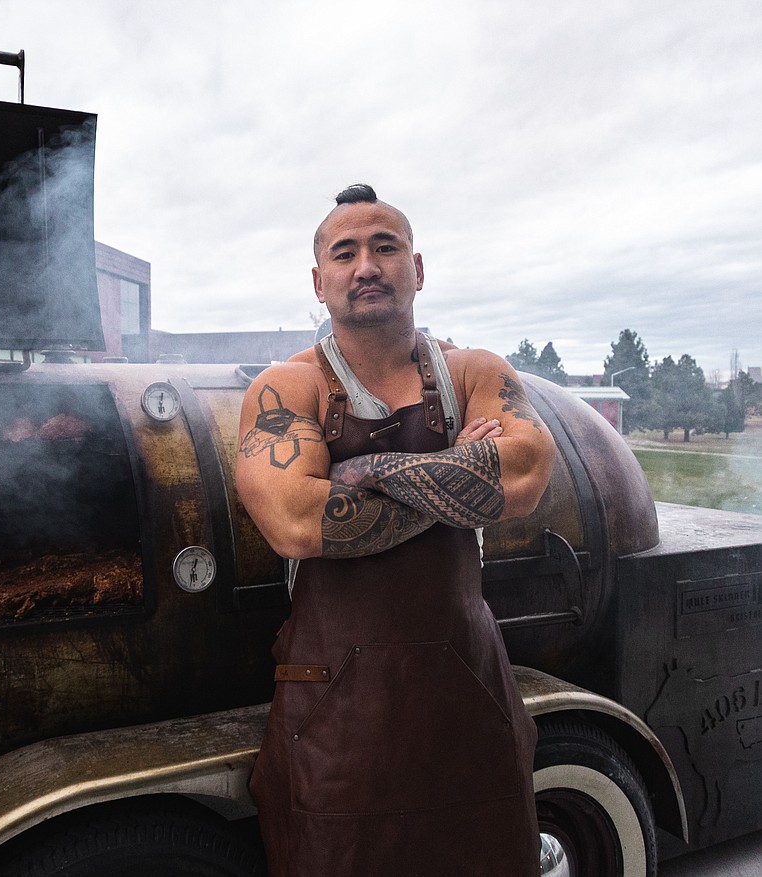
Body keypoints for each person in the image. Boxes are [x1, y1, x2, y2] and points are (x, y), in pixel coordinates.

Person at [236, 184, 555, 876]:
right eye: (344, 253)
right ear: (319, 282)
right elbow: (295, 521)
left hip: (468, 695)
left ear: (417, 268)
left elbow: (526, 478)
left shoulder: (474, 370)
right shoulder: (289, 388)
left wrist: (357, 473)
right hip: (334, 718)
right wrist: (456, 470)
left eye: (385, 247)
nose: (367, 265)